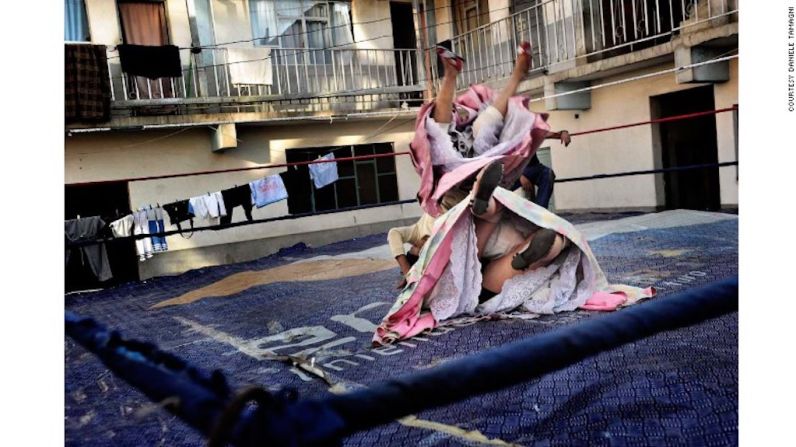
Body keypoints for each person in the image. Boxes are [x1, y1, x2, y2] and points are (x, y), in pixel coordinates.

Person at [372, 45, 655, 346]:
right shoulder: (434, 257)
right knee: (544, 240)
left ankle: (494, 204)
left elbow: (395, 235)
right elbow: (417, 259)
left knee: (471, 138)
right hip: (477, 254)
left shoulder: (423, 227)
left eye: (424, 248)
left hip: (472, 219)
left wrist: (409, 269)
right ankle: (515, 235)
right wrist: (414, 274)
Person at [387, 213, 435, 289]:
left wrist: (408, 274)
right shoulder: (435, 243)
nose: (414, 244)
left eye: (414, 246)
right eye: (416, 246)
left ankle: (409, 275)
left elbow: (393, 233)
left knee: (393, 232)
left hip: (421, 227)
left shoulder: (419, 232)